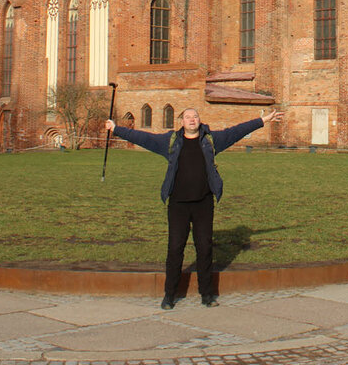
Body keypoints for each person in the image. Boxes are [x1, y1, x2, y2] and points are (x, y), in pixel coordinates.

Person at [105, 107, 283, 309]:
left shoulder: (210, 140)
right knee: (175, 249)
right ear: (182, 122)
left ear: (200, 120)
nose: (192, 120)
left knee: (205, 248)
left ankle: (206, 294)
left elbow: (236, 131)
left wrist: (263, 120)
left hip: (203, 203)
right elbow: (144, 138)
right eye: (188, 117)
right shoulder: (171, 141)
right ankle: (169, 295)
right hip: (178, 205)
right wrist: (116, 129)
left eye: (195, 116)